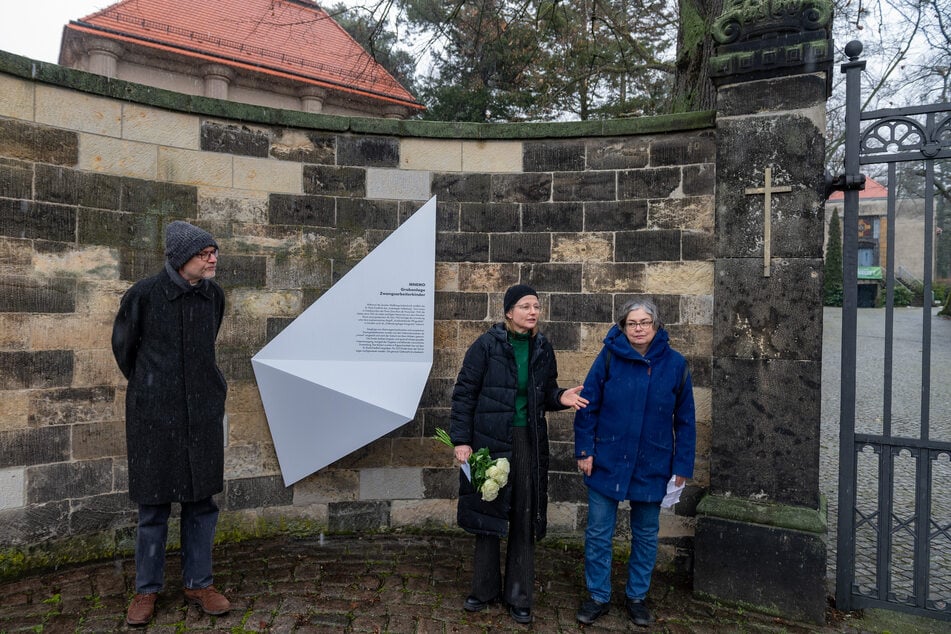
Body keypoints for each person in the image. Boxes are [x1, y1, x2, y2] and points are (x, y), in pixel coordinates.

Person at [112, 220, 231, 626]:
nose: (213, 258)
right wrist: (154, 388)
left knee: (201, 503)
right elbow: (124, 350)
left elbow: (207, 344)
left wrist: (207, 388)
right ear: (182, 259)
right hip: (153, 415)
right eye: (205, 253)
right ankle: (147, 591)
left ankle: (200, 583)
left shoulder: (214, 297)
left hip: (201, 414)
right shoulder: (143, 295)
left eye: (214, 251)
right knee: (154, 507)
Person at [449, 284, 588, 624]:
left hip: (528, 439)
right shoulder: (485, 346)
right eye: (525, 306)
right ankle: (483, 590)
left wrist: (560, 398)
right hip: (490, 438)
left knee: (524, 515)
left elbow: (546, 392)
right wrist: (461, 441)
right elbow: (465, 393)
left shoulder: (542, 348)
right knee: (488, 510)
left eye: (537, 306)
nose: (533, 312)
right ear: (509, 312)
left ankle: (519, 596)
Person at [573, 299, 695, 627]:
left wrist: (682, 466)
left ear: (656, 326)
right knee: (599, 532)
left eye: (644, 323)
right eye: (631, 323)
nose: (638, 329)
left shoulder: (675, 365)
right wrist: (585, 450)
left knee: (645, 533)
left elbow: (686, 420)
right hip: (608, 458)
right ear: (623, 326)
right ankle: (598, 595)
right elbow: (587, 404)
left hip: (652, 462)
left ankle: (637, 595)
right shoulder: (610, 357)